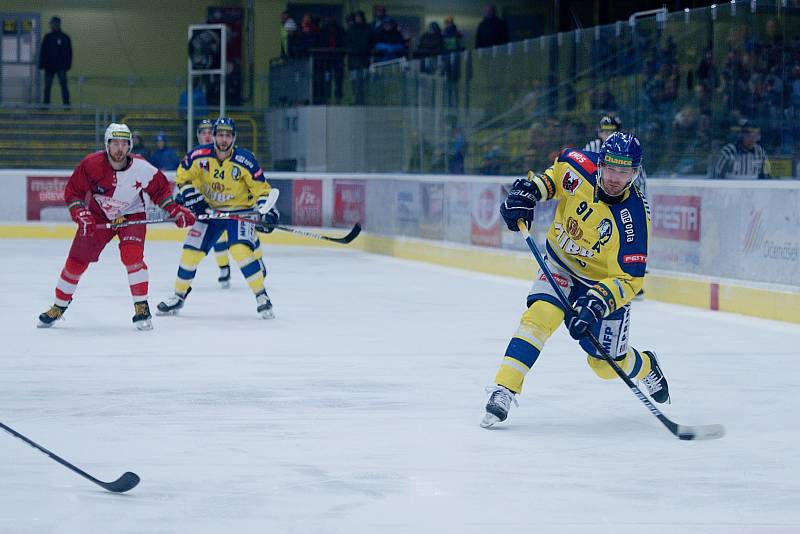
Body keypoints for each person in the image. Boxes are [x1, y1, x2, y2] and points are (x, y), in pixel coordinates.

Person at [481, 132, 670, 428]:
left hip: (601, 285)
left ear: (635, 173)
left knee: (605, 366)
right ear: (601, 163)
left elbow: (630, 278)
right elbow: (554, 180)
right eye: (610, 169)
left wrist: (597, 303)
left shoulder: (634, 217)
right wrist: (530, 192)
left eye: (624, 172)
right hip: (562, 264)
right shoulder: (577, 163)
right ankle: (504, 388)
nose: (615, 178)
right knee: (538, 318)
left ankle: (646, 365)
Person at [37, 124, 195, 330]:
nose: (120, 148)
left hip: (132, 215)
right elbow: (73, 192)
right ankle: (59, 306)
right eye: (115, 143)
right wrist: (80, 213)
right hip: (98, 217)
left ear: (130, 145)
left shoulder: (142, 168)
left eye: (124, 143)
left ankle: (141, 307)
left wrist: (174, 210)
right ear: (107, 145)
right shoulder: (91, 164)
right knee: (76, 261)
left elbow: (160, 190)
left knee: (132, 257)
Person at [157, 118, 279, 319]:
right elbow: (182, 177)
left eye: (228, 135)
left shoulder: (245, 160)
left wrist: (268, 210)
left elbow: (261, 189)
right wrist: (190, 195)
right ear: (213, 136)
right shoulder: (198, 156)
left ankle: (262, 296)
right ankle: (178, 296)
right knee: (190, 253)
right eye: (220, 135)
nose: (224, 139)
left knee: (239, 250)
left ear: (234, 138)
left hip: (239, 212)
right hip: (210, 212)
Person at [189, 119, 266, 289]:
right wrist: (189, 198)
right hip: (213, 204)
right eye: (203, 132)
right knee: (218, 237)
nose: (207, 135)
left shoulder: (237, 156)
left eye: (210, 132)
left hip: (240, 204)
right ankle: (224, 269)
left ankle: (257, 259)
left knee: (248, 236)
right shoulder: (197, 156)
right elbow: (190, 180)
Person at [584, 115, 647, 197]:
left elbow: (640, 182)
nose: (608, 136)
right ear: (599, 133)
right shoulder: (591, 147)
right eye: (605, 132)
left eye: (611, 132)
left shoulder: (629, 152)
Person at [38, 16, 72, 106]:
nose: (52, 25)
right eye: (52, 23)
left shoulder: (64, 37)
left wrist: (67, 65)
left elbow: (69, 53)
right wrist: (41, 65)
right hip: (50, 66)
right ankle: (46, 104)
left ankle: (66, 104)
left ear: (58, 24)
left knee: (63, 86)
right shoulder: (48, 37)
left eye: (54, 23)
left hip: (60, 67)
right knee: (47, 87)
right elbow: (43, 52)